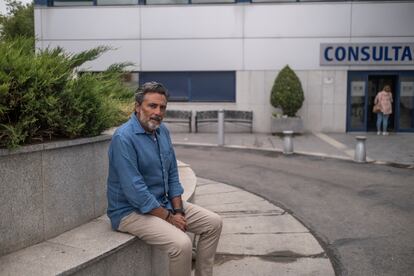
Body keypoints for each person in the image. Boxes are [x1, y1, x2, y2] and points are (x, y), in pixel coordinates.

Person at [106, 81, 222, 276]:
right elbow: (136, 192)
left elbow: (172, 174)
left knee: (214, 223)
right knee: (182, 244)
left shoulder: (162, 131)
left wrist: (178, 210)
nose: (158, 112)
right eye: (152, 106)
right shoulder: (123, 138)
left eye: (162, 107)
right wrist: (170, 218)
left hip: (162, 204)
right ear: (137, 107)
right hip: (129, 212)